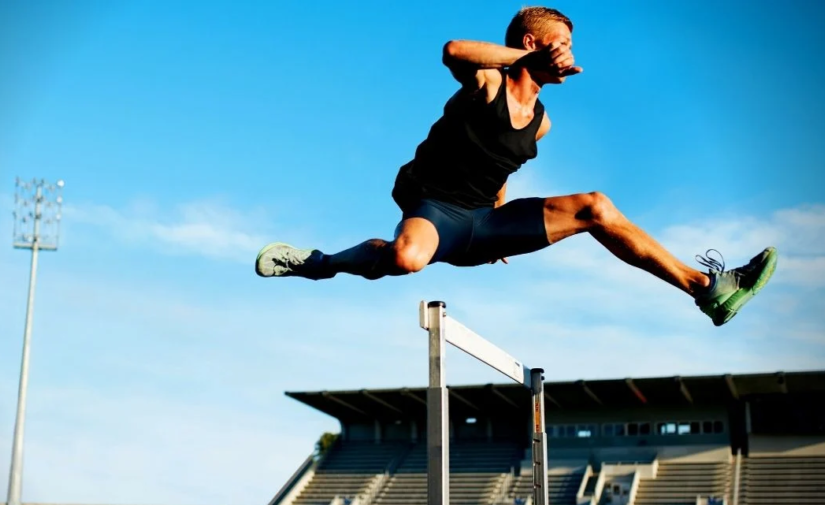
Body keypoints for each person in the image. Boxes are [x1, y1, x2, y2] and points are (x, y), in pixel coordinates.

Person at [254, 7, 776, 326]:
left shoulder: (543, 123)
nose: (571, 57)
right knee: (407, 258)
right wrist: (523, 62)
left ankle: (709, 291)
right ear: (531, 45)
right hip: (435, 211)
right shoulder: (487, 84)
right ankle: (319, 263)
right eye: (563, 45)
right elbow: (453, 49)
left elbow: (501, 170)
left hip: (487, 224)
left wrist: (501, 228)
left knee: (596, 206)